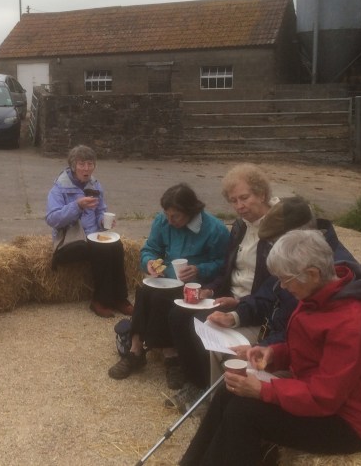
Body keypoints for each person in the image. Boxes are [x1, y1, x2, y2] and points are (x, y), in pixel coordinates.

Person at [180, 229, 361, 465]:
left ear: (312, 274)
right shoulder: (318, 295)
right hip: (318, 396)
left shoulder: (351, 320)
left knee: (244, 412)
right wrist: (274, 354)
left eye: (285, 279)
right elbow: (310, 350)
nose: (282, 286)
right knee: (228, 392)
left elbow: (325, 397)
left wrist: (263, 390)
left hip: (347, 420)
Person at [166, 195, 353, 412]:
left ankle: (224, 406)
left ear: (297, 238)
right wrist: (235, 316)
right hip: (275, 335)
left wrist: (267, 347)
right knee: (209, 331)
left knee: (240, 377)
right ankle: (216, 403)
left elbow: (305, 339)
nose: (272, 249)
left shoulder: (325, 271)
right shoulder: (295, 257)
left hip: (291, 354)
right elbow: (267, 296)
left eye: (275, 243)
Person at [108, 183, 230, 385]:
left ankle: (171, 356)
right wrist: (149, 262)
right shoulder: (163, 221)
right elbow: (150, 249)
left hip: (197, 286)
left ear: (191, 211)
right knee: (144, 289)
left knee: (161, 297)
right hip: (167, 280)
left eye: (176, 216)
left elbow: (224, 264)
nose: (170, 221)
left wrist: (199, 269)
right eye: (167, 215)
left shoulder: (215, 229)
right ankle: (135, 350)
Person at [45, 145, 131, 318]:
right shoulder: (59, 188)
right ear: (73, 166)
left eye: (90, 164)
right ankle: (100, 300)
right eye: (81, 164)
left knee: (116, 245)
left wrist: (103, 221)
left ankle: (120, 298)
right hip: (68, 241)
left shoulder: (95, 185)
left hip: (91, 237)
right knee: (101, 249)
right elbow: (52, 219)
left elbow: (100, 211)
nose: (86, 168)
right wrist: (77, 206)